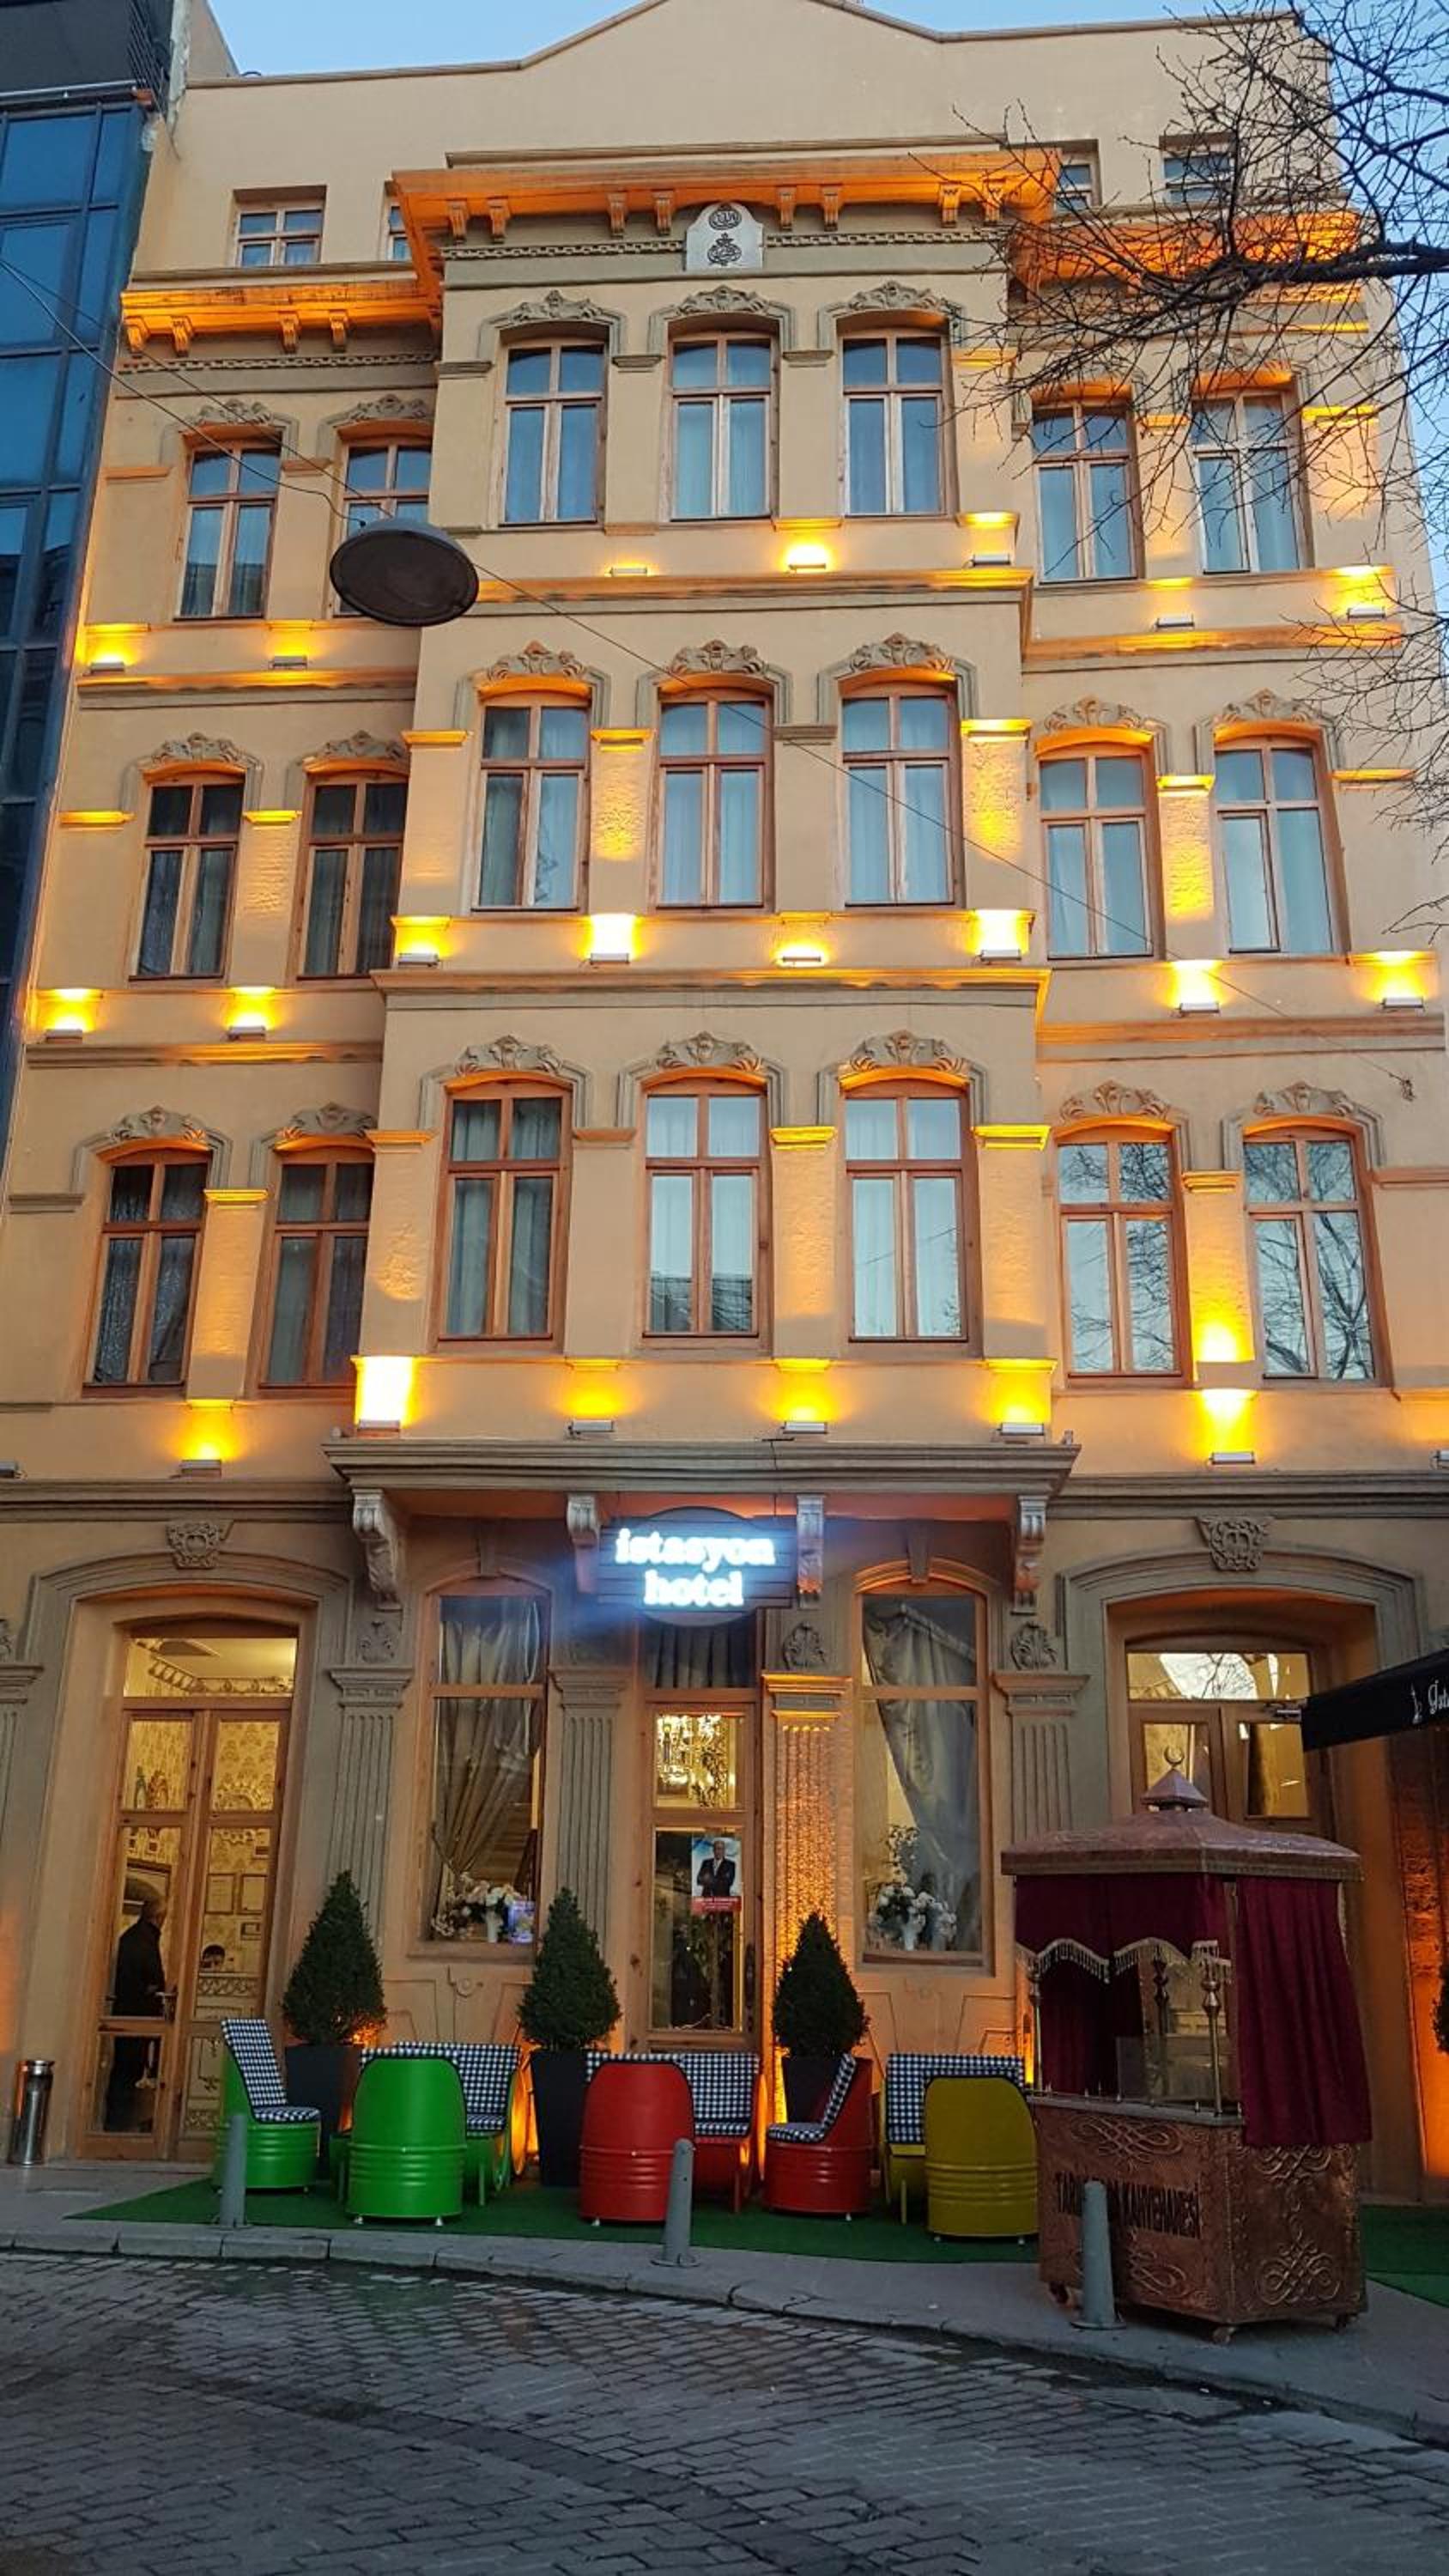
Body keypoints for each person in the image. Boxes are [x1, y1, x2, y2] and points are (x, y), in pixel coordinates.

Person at [103, 1894, 167, 2132]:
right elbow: (152, 1978)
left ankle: (117, 2122)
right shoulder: (144, 1940)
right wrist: (154, 1991)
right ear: (159, 1917)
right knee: (129, 2068)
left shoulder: (132, 1937)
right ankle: (119, 2123)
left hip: (128, 2010)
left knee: (125, 2067)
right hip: (138, 2012)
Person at [695, 1838, 737, 1902]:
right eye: (716, 1849)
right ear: (713, 1850)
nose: (718, 1851)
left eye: (720, 1849)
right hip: (706, 1901)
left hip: (722, 1902)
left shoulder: (731, 1865)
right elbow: (699, 1880)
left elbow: (728, 1882)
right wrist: (718, 1880)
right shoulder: (706, 1862)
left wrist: (708, 1879)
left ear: (724, 1851)